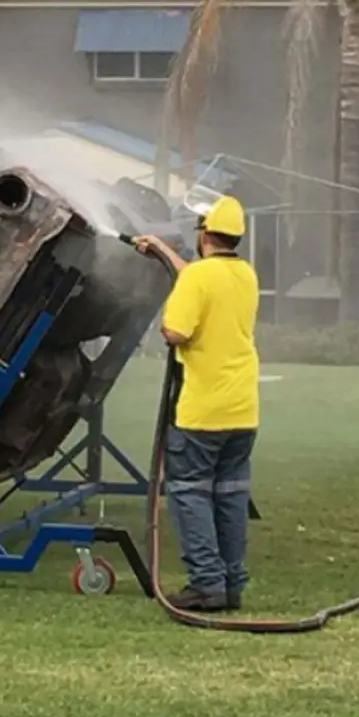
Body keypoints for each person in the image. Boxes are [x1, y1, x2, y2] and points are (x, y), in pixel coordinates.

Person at [132, 195, 260, 612]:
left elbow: (176, 332)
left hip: (202, 411)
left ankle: (207, 584)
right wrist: (162, 250)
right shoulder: (245, 275)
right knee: (230, 495)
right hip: (243, 410)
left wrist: (167, 319)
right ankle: (232, 583)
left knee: (190, 493)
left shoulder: (197, 280)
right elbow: (200, 278)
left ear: (204, 235)